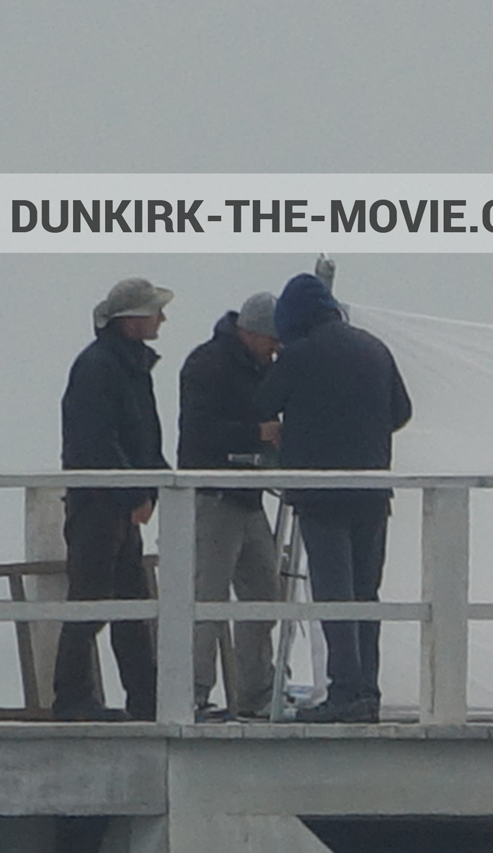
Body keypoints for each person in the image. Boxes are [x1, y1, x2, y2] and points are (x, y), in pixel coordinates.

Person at [256, 273, 412, 724]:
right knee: (365, 595)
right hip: (371, 492)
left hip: (320, 496)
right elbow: (402, 412)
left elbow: (264, 402)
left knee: (334, 594)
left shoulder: (298, 355)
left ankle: (343, 693)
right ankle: (367, 692)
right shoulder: (373, 348)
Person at [53, 277, 174, 721]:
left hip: (114, 504)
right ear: (130, 321)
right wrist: (139, 492)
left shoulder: (120, 364)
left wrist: (153, 486)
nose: (163, 318)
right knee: (93, 600)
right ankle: (74, 699)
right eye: (154, 311)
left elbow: (138, 439)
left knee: (128, 604)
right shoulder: (102, 367)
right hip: (99, 507)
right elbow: (97, 444)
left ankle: (144, 701)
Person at [177, 292, 283, 721]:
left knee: (265, 594)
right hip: (214, 495)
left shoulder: (257, 366)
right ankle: (192, 694)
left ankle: (255, 691)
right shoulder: (207, 364)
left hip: (246, 496)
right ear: (251, 332)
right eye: (272, 340)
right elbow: (198, 433)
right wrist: (256, 432)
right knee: (207, 597)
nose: (277, 348)